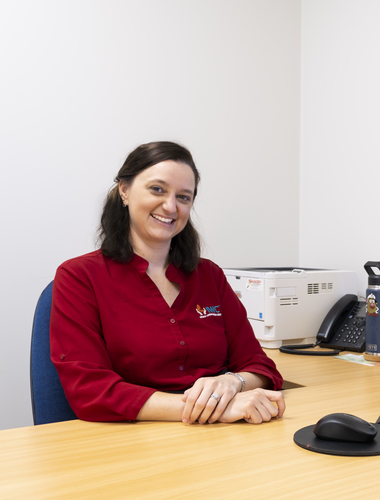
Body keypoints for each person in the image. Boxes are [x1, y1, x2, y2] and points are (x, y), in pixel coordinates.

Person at [50, 141, 285, 425]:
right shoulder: (79, 277)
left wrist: (232, 383)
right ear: (124, 190)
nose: (171, 206)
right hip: (133, 440)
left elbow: (260, 366)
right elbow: (90, 391)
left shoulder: (209, 275)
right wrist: (216, 409)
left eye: (184, 197)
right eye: (157, 189)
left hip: (220, 437)